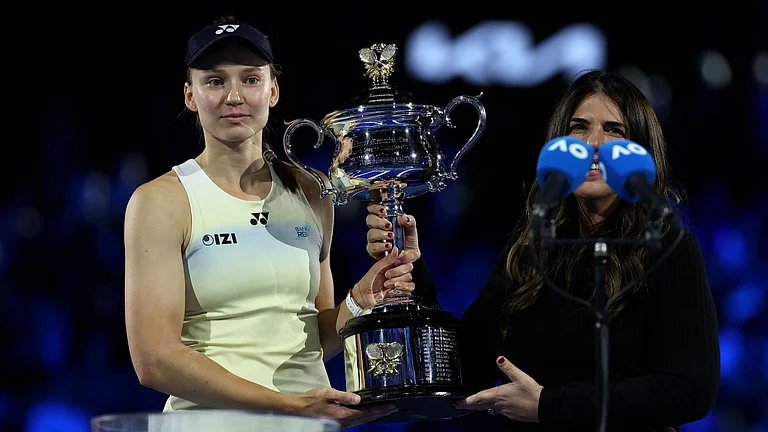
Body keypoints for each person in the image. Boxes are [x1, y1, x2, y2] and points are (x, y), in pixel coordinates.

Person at [362, 70, 720, 431]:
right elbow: (463, 368)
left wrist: (549, 405)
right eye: (579, 127)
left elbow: (690, 389)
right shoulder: (529, 252)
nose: (592, 143)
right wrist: (411, 270)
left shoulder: (668, 251)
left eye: (614, 130)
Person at [123, 14, 419, 429]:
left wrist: (358, 301)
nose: (234, 97)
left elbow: (314, 338)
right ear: (190, 95)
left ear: (273, 90)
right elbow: (154, 360)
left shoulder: (312, 191)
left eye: (250, 79)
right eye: (214, 81)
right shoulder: (161, 201)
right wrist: (288, 405)